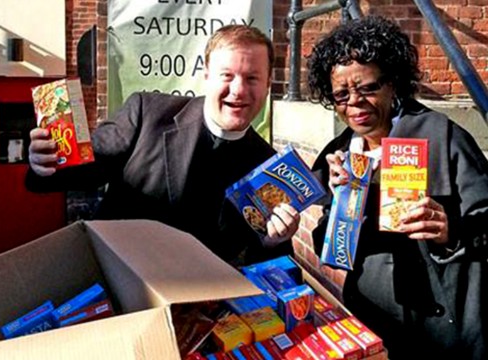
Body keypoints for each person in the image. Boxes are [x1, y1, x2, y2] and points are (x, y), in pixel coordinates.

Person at [26, 25, 300, 265]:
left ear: (267, 86)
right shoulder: (147, 113)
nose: (239, 90)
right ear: (206, 76)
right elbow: (86, 168)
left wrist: (273, 241)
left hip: (198, 308)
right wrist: (45, 162)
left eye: (252, 78)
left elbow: (265, 264)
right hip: (118, 283)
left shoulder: (270, 167)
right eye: (227, 75)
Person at [307, 15, 487, 359]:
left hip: (443, 332)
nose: (355, 103)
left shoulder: (442, 135)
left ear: (393, 83)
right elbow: (322, 242)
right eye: (341, 95)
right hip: (373, 323)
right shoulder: (340, 153)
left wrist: (450, 232)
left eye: (368, 88)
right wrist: (339, 211)